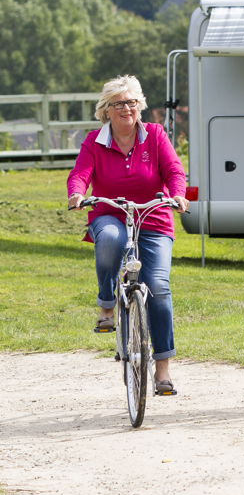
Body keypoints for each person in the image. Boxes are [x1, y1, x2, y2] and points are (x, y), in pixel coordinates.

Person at [67, 75, 189, 395]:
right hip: (109, 213)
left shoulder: (156, 135)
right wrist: (77, 194)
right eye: (118, 103)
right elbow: (80, 173)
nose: (126, 109)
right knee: (110, 239)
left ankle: (162, 370)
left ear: (140, 106)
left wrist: (177, 194)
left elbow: (174, 170)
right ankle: (107, 305)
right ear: (106, 110)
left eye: (132, 102)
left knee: (158, 287)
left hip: (153, 216)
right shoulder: (95, 141)